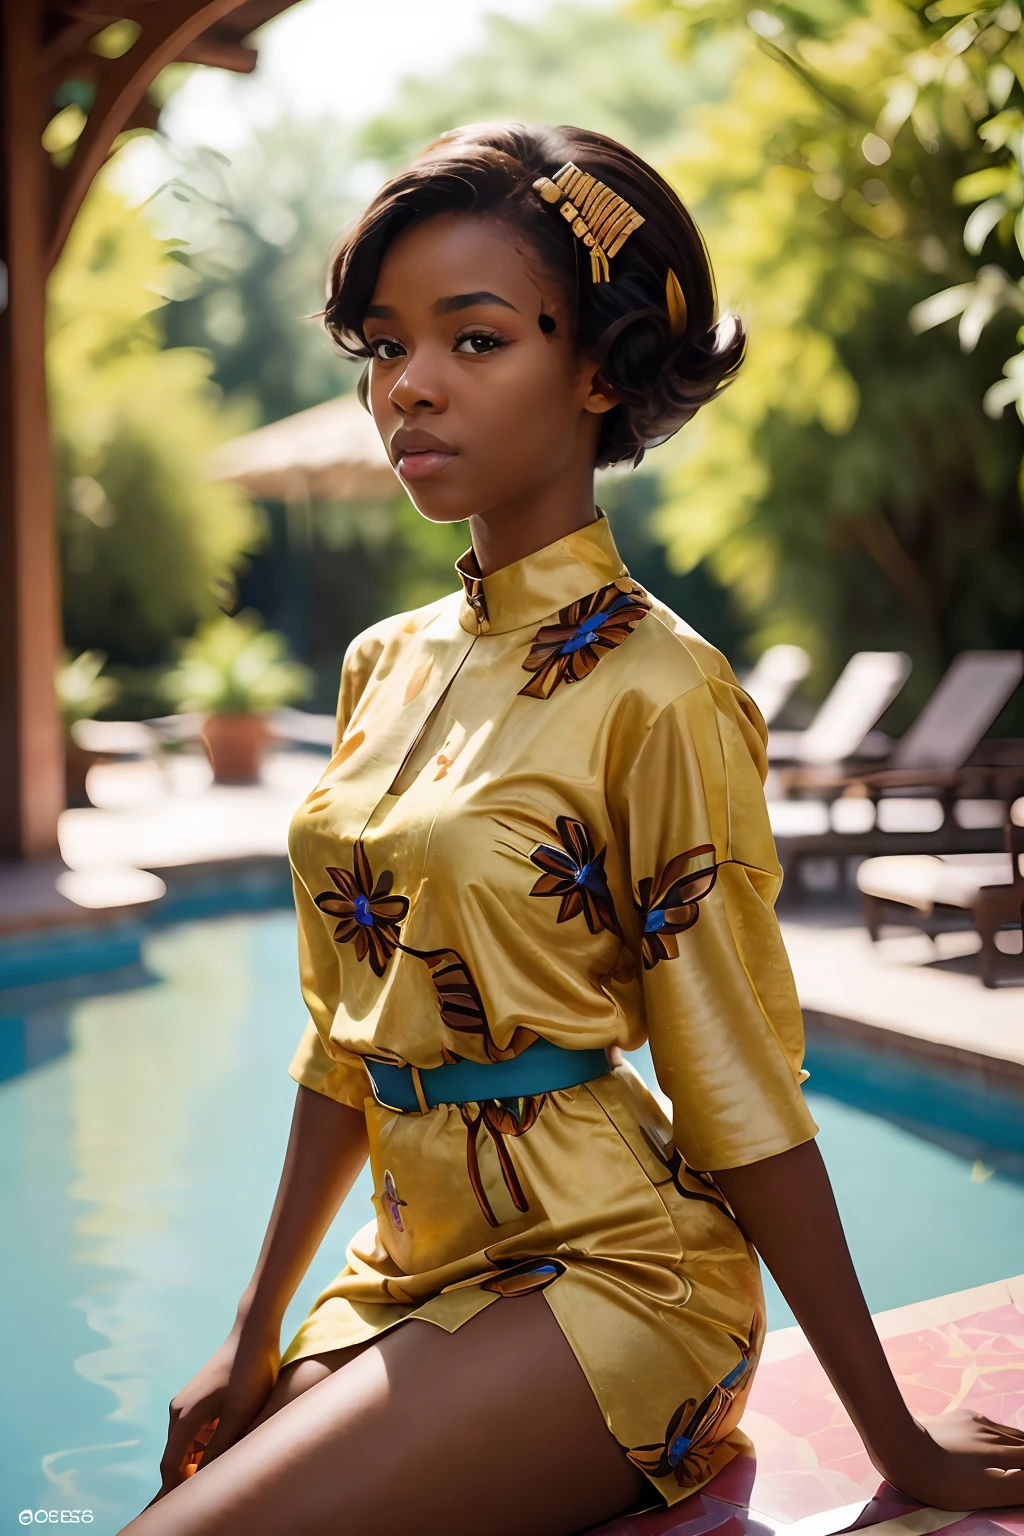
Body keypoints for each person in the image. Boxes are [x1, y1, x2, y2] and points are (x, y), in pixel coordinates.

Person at [121, 123, 1024, 1536]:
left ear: (598, 369)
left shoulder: (664, 691)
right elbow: (343, 1035)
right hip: (409, 1271)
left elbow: (735, 1080)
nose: (407, 387)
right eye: (383, 344)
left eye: (474, 342)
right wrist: (255, 1329)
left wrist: (894, 1436)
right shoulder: (381, 665)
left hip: (617, 1275)